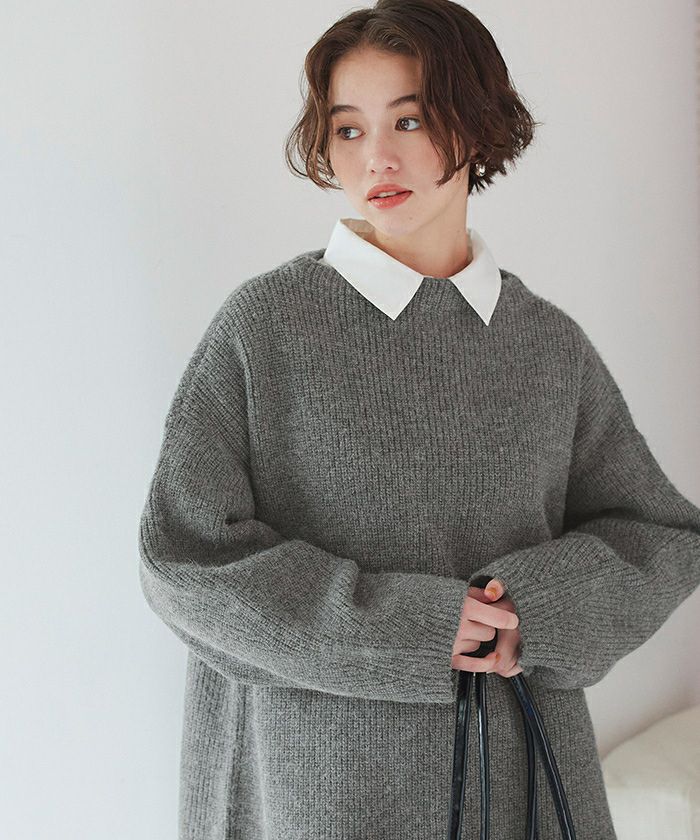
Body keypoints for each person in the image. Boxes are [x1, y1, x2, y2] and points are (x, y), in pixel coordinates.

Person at [137, 1, 700, 838]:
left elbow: (660, 536)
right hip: (316, 784)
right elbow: (184, 559)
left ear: (474, 122)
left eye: (409, 119)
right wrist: (416, 628)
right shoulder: (267, 328)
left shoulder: (546, 346)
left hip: (521, 778)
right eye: (348, 129)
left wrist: (533, 611)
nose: (378, 157)